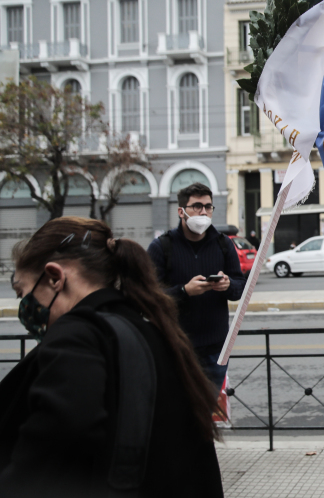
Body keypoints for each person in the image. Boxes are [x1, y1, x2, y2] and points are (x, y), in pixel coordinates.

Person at [0, 217, 223, 497]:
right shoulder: (154, 334)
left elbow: (51, 453)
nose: (25, 307)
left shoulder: (78, 336)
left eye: (23, 293)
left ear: (55, 277)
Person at [147, 182, 245, 392]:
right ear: (181, 211)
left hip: (216, 348)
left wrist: (227, 285)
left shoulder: (223, 244)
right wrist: (184, 291)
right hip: (175, 346)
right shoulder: (161, 246)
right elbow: (149, 296)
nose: (203, 212)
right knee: (178, 411)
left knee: (207, 410)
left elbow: (240, 288)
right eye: (197, 206)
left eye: (208, 207)